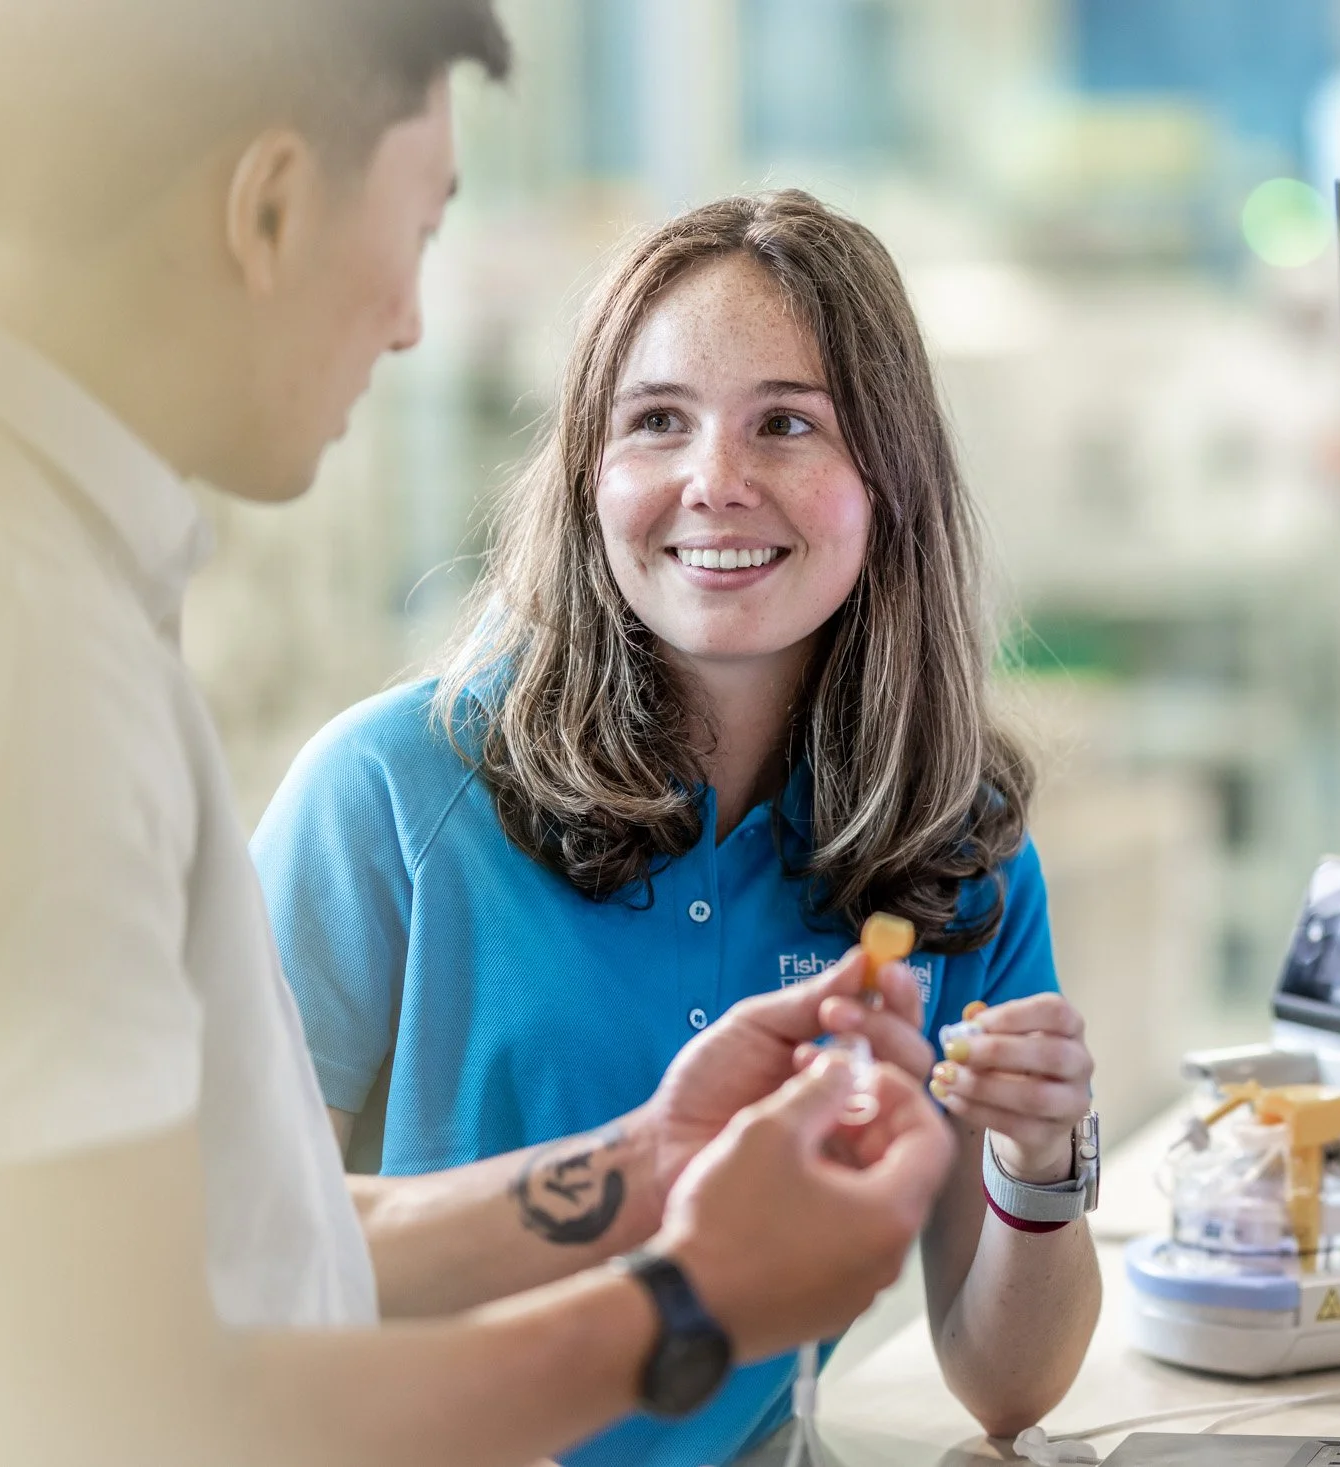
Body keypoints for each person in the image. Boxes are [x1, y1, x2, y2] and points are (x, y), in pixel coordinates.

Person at [0, 4, 953, 1464]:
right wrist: (692, 1300)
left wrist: (648, 1163)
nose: (409, 317)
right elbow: (127, 1407)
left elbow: (239, 1239)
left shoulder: (37, 572)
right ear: (268, 206)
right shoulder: (9, 634)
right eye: (418, 227)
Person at [250, 191, 1105, 1463]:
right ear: (590, 474)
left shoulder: (946, 840)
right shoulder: (382, 797)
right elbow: (220, 1278)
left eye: (786, 425)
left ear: (889, 477)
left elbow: (1004, 1387)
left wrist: (1040, 1162)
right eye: (657, 422)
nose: (715, 482)